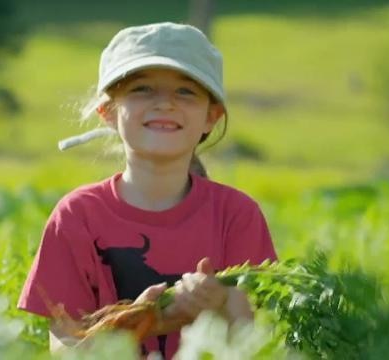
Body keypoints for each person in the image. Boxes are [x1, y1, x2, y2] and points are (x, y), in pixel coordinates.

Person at [17, 22, 278, 359]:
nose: (165, 104)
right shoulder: (78, 215)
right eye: (142, 89)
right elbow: (66, 351)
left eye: (186, 91)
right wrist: (141, 323)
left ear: (211, 116)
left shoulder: (237, 215)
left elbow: (253, 342)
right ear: (108, 112)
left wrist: (219, 304)